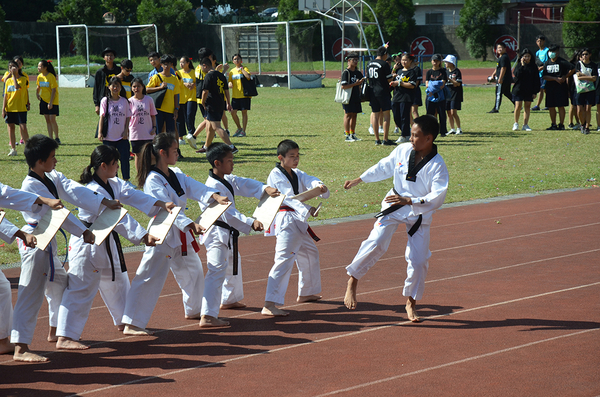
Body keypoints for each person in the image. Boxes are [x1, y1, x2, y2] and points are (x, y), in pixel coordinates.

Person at [12, 135, 121, 362]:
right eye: (52, 157)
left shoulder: (50, 177)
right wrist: (83, 231)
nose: (56, 160)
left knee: (61, 285)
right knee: (30, 294)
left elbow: (74, 190)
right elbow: (57, 215)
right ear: (40, 161)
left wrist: (103, 201)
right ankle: (20, 349)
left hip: (48, 244)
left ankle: (55, 331)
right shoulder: (30, 185)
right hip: (36, 242)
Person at [55, 145, 174, 350]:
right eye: (115, 163)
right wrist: (143, 236)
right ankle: (64, 336)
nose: (119, 166)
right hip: (88, 243)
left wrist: (161, 204)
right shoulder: (93, 190)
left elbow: (133, 195)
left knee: (118, 281)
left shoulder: (114, 183)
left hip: (107, 243)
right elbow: (118, 217)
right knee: (80, 289)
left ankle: (126, 322)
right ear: (103, 166)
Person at [342, 115, 449, 322]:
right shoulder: (402, 150)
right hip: (393, 204)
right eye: (411, 133)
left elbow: (438, 197)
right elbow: (383, 166)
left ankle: (411, 302)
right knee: (376, 241)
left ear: (429, 138)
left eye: (416, 136)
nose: (411, 139)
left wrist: (410, 200)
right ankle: (353, 280)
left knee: (418, 261)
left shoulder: (437, 165)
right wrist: (360, 179)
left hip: (418, 212)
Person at [121, 133, 229, 335]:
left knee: (194, 271)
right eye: (174, 150)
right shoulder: (153, 180)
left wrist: (214, 195)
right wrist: (190, 224)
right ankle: (132, 323)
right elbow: (167, 209)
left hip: (181, 235)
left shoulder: (176, 174)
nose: (178, 153)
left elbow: (195, 187)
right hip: (162, 233)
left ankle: (195, 310)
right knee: (148, 276)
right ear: (162, 153)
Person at [200, 143, 279, 327]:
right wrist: (252, 222)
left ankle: (229, 299)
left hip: (226, 232)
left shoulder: (225, 178)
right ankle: (207, 315)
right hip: (216, 231)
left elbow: (242, 183)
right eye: (229, 161)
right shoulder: (212, 186)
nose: (232, 164)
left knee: (232, 264)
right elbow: (228, 213)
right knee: (216, 270)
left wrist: (264, 188)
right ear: (217, 163)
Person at [262, 139, 329, 317]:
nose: (296, 159)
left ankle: (306, 292)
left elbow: (311, 180)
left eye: (297, 156)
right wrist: (309, 209)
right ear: (281, 157)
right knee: (284, 260)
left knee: (309, 253)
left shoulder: (297, 173)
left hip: (298, 221)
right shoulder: (275, 174)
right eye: (292, 156)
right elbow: (287, 198)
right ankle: (269, 304)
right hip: (286, 220)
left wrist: (319, 186)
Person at [0, 183, 63, 356]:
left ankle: (4, 342)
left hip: (39, 238)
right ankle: (18, 345)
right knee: (23, 291)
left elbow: (9, 194)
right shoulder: (31, 182)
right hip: (32, 240)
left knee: (3, 289)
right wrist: (22, 235)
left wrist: (45, 200)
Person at [98, 77, 134, 187]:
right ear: (109, 87)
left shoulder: (124, 101)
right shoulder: (105, 100)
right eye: (113, 86)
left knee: (124, 158)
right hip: (109, 136)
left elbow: (128, 117)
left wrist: (125, 132)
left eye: (117, 86)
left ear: (120, 87)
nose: (115, 88)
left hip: (122, 137)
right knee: (111, 161)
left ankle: (126, 180)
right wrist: (100, 132)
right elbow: (102, 117)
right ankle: (114, 181)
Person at [200, 57, 237, 153]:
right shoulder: (221, 75)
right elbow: (226, 91)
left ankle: (231, 147)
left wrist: (203, 102)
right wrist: (228, 103)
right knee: (211, 127)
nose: (201, 69)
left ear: (205, 65)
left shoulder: (208, 76)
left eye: (201, 67)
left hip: (212, 104)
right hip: (221, 103)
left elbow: (205, 91)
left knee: (216, 126)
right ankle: (206, 147)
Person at [366, 46, 395, 145]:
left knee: (375, 114)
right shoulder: (384, 64)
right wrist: (393, 77)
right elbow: (389, 79)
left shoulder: (369, 63)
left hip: (372, 91)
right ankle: (385, 139)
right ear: (385, 54)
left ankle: (377, 139)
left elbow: (368, 78)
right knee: (386, 115)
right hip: (383, 91)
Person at [542, 45, 575, 130]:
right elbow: (544, 76)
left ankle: (561, 124)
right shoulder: (547, 62)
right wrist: (554, 78)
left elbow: (572, 68)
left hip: (560, 88)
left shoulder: (562, 61)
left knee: (560, 106)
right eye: (550, 51)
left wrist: (565, 76)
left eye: (553, 51)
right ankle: (553, 124)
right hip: (550, 87)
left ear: (557, 52)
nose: (551, 53)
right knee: (551, 106)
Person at [129, 77, 157, 173]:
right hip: (135, 133)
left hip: (148, 132)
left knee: (151, 155)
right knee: (138, 155)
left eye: (138, 86)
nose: (136, 88)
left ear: (143, 87)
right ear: (131, 88)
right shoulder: (129, 101)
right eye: (134, 86)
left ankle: (152, 174)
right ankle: (140, 175)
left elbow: (153, 115)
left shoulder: (149, 100)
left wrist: (154, 127)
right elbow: (127, 118)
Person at [147, 54, 180, 135]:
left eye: (168, 63)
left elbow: (176, 94)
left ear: (171, 64)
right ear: (161, 64)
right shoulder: (156, 77)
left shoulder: (174, 79)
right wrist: (160, 88)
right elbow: (146, 89)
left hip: (170, 110)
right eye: (164, 64)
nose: (166, 66)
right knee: (158, 133)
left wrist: (176, 109)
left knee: (170, 133)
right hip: (158, 109)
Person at [2, 59, 30, 156]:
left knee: (23, 128)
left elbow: (17, 86)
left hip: (20, 107)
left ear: (18, 68)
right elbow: (6, 95)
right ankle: (13, 149)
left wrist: (14, 75)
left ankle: (28, 149)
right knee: (11, 127)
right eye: (10, 67)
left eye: (13, 67)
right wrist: (3, 109)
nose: (11, 69)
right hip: (10, 107)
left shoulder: (23, 79)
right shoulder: (8, 81)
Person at [390, 53, 417, 144]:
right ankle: (406, 132)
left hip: (406, 97)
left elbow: (412, 85)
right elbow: (391, 78)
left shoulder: (412, 72)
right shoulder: (399, 71)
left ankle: (404, 135)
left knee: (404, 117)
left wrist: (399, 83)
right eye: (402, 60)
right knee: (396, 116)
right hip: (396, 96)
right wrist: (393, 78)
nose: (403, 62)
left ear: (410, 61)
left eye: (405, 60)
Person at [512, 48, 541, 132]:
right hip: (519, 89)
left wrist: (535, 91)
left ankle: (525, 124)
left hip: (529, 89)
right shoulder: (519, 65)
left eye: (528, 56)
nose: (527, 58)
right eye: (525, 56)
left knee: (527, 106)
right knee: (518, 106)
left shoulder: (533, 66)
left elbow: (536, 79)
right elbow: (517, 75)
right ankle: (516, 123)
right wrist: (522, 65)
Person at [340, 52, 365, 142]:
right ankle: (347, 134)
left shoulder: (358, 72)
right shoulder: (346, 72)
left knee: (354, 115)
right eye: (354, 60)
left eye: (357, 60)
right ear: (349, 61)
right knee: (348, 115)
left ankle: (352, 133)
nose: (355, 62)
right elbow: (343, 86)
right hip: (348, 97)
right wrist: (355, 84)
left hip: (356, 97)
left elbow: (361, 84)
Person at [36, 60, 60, 144]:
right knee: (47, 120)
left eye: (40, 66)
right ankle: (50, 139)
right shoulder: (39, 76)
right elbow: (38, 85)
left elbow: (54, 90)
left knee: (52, 119)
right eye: (38, 66)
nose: (38, 68)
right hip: (43, 100)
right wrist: (37, 93)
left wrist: (51, 102)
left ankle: (57, 138)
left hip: (52, 100)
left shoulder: (51, 77)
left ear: (45, 68)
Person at [574, 48, 597, 135]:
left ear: (590, 55)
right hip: (580, 89)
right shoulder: (578, 64)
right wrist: (589, 77)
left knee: (588, 108)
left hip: (590, 89)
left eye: (586, 54)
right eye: (583, 54)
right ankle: (582, 124)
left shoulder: (593, 65)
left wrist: (583, 75)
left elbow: (594, 78)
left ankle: (587, 126)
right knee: (579, 109)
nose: (584, 56)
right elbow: (578, 77)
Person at [228, 54, 252, 137]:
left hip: (244, 95)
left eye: (238, 59)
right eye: (235, 59)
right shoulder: (232, 71)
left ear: (241, 60)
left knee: (244, 112)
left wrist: (242, 70)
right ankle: (239, 128)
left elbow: (248, 77)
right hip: (235, 96)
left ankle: (243, 131)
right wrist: (230, 83)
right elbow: (229, 81)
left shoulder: (245, 68)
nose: (237, 60)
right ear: (233, 61)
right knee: (232, 112)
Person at [425, 54, 448, 137]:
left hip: (440, 96)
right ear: (431, 61)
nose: (435, 62)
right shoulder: (429, 72)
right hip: (430, 95)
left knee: (442, 114)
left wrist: (433, 85)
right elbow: (427, 84)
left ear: (440, 62)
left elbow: (442, 84)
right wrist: (435, 84)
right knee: (430, 114)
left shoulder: (443, 72)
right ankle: (430, 131)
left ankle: (443, 131)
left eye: (437, 61)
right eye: (434, 60)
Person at [176, 56, 197, 143]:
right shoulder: (178, 73)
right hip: (181, 98)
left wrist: (193, 85)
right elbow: (176, 82)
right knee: (181, 118)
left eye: (183, 62)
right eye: (180, 62)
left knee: (189, 115)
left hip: (192, 97)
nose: (181, 64)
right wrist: (185, 83)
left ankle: (191, 133)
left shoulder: (194, 72)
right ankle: (181, 137)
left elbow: (199, 82)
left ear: (188, 63)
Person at [93, 48, 120, 116]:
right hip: (104, 99)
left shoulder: (119, 70)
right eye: (107, 55)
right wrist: (97, 105)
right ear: (104, 58)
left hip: (117, 99)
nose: (109, 57)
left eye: (111, 55)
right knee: (103, 120)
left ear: (114, 57)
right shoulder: (100, 72)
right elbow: (96, 89)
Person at [488, 42, 514, 113]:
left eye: (501, 48)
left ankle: (496, 108)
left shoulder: (504, 57)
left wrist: (500, 78)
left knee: (498, 93)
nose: (499, 49)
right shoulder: (501, 57)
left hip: (503, 79)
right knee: (507, 93)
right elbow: (498, 68)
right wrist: (493, 74)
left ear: (505, 49)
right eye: (498, 48)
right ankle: (518, 105)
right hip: (506, 78)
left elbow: (503, 68)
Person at [443, 55, 463, 135]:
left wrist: (449, 79)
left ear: (451, 63)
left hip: (455, 94)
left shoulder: (457, 71)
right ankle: (452, 129)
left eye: (447, 62)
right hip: (447, 94)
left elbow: (457, 84)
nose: (445, 63)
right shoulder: (446, 71)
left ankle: (459, 129)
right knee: (448, 113)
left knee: (453, 112)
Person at [532, 35, 549, 111]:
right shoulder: (537, 52)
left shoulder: (547, 50)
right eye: (538, 41)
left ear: (544, 41)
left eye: (541, 41)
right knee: (543, 89)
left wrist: (542, 68)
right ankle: (548, 104)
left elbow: (548, 62)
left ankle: (538, 105)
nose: (539, 42)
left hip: (545, 73)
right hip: (539, 74)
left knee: (542, 89)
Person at [567, 50, 582, 130]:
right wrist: (568, 89)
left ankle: (580, 121)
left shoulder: (583, 64)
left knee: (580, 105)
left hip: (582, 87)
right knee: (573, 105)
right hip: (573, 87)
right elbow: (567, 77)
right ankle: (571, 122)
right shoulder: (572, 65)